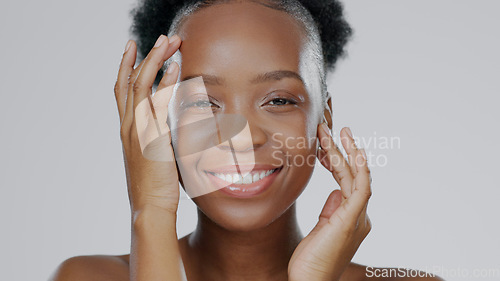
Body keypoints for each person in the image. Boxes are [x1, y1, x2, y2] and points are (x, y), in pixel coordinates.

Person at [50, 0, 444, 280]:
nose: (244, 137)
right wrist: (150, 213)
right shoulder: (87, 277)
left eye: (278, 100)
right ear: (157, 123)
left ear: (324, 117)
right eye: (203, 103)